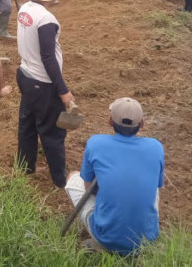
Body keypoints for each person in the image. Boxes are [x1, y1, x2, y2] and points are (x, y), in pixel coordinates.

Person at [65, 97, 164, 255]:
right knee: (153, 188)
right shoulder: (156, 147)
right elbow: (157, 185)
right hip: (146, 239)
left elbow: (88, 187)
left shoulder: (95, 143)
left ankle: (102, 245)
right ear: (142, 123)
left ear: (110, 121)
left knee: (72, 177)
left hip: (106, 238)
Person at [16, 0, 73, 188]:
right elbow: (48, 58)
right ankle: (60, 179)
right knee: (52, 132)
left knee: (27, 123)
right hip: (43, 84)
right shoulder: (46, 19)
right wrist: (63, 90)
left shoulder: (26, 8)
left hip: (26, 75)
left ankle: (25, 166)